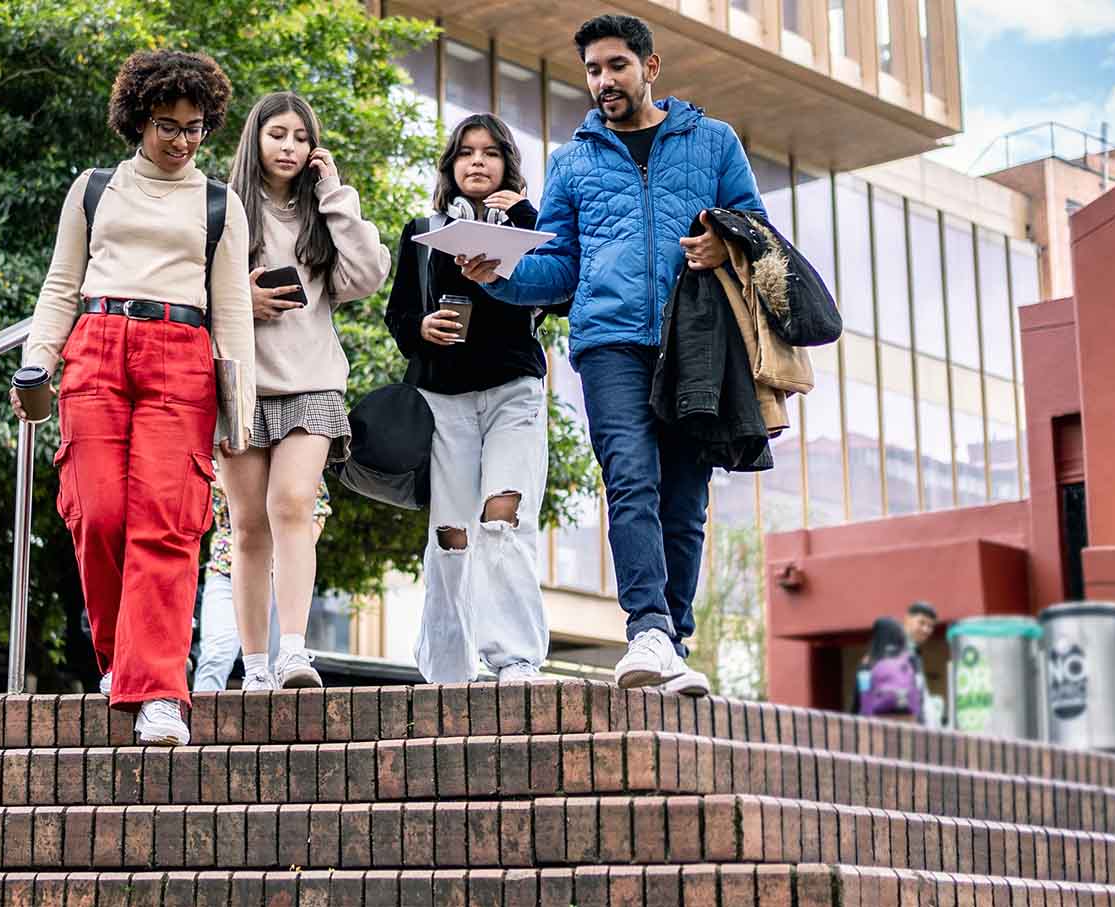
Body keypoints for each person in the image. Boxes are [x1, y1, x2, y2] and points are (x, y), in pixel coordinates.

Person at [456, 13, 765, 696]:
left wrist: (723, 244)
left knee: (685, 500)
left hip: (695, 342)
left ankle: (672, 644)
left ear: (650, 68)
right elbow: (560, 269)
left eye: (616, 66)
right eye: (593, 70)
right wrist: (499, 276)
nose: (604, 81)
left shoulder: (713, 143)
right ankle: (648, 628)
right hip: (608, 341)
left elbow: (756, 228)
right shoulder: (572, 160)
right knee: (630, 475)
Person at [18, 49, 252, 747]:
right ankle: (126, 661)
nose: (182, 140)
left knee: (165, 521)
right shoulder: (94, 189)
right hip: (95, 342)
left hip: (182, 356)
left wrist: (238, 411)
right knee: (97, 512)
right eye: (167, 125)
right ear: (136, 120)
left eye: (195, 127)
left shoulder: (219, 203)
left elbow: (233, 308)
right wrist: (37, 362)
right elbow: (61, 283)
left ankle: (157, 694)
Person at [218, 91, 391, 691]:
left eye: (299, 136)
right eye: (277, 135)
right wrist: (244, 300)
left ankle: (295, 651)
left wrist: (336, 192)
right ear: (255, 140)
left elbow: (367, 275)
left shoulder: (323, 211)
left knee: (293, 504)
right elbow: (191, 291)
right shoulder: (223, 207)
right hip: (238, 384)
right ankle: (257, 665)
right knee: (246, 527)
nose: (288, 147)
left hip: (312, 381)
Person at [384, 113, 554, 685]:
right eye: (465, 153)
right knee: (451, 533)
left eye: (490, 152)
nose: (477, 162)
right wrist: (421, 328)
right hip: (442, 396)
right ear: (451, 167)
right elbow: (398, 313)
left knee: (503, 515)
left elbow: (557, 292)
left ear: (507, 163)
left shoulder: (531, 225)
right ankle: (449, 669)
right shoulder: (422, 230)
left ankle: (515, 659)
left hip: (514, 389)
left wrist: (524, 214)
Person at [191, 484, 330, 692]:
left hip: (278, 575)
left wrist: (291, 554)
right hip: (224, 568)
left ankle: (278, 717)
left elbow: (317, 509)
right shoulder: (217, 460)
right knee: (215, 655)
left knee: (279, 662)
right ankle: (203, 719)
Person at [855, 617, 922, 719]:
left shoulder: (867, 663)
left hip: (875, 724)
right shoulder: (911, 659)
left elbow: (861, 697)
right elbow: (919, 691)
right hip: (907, 721)